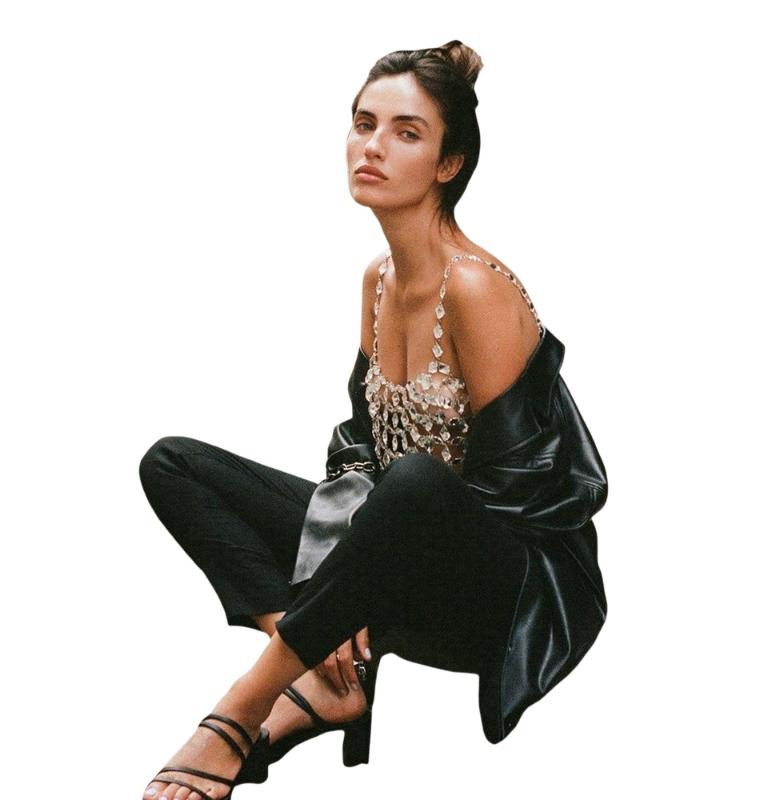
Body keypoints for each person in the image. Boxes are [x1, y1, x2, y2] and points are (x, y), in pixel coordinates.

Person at [138, 40, 608, 800]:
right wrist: (341, 581)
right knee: (174, 463)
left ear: (449, 164)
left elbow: (525, 495)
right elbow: (359, 446)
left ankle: (242, 707)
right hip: (397, 554)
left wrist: (359, 573)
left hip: (504, 589)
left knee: (414, 483)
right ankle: (327, 671)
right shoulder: (379, 281)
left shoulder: (479, 290)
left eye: (406, 132)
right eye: (364, 124)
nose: (373, 146)